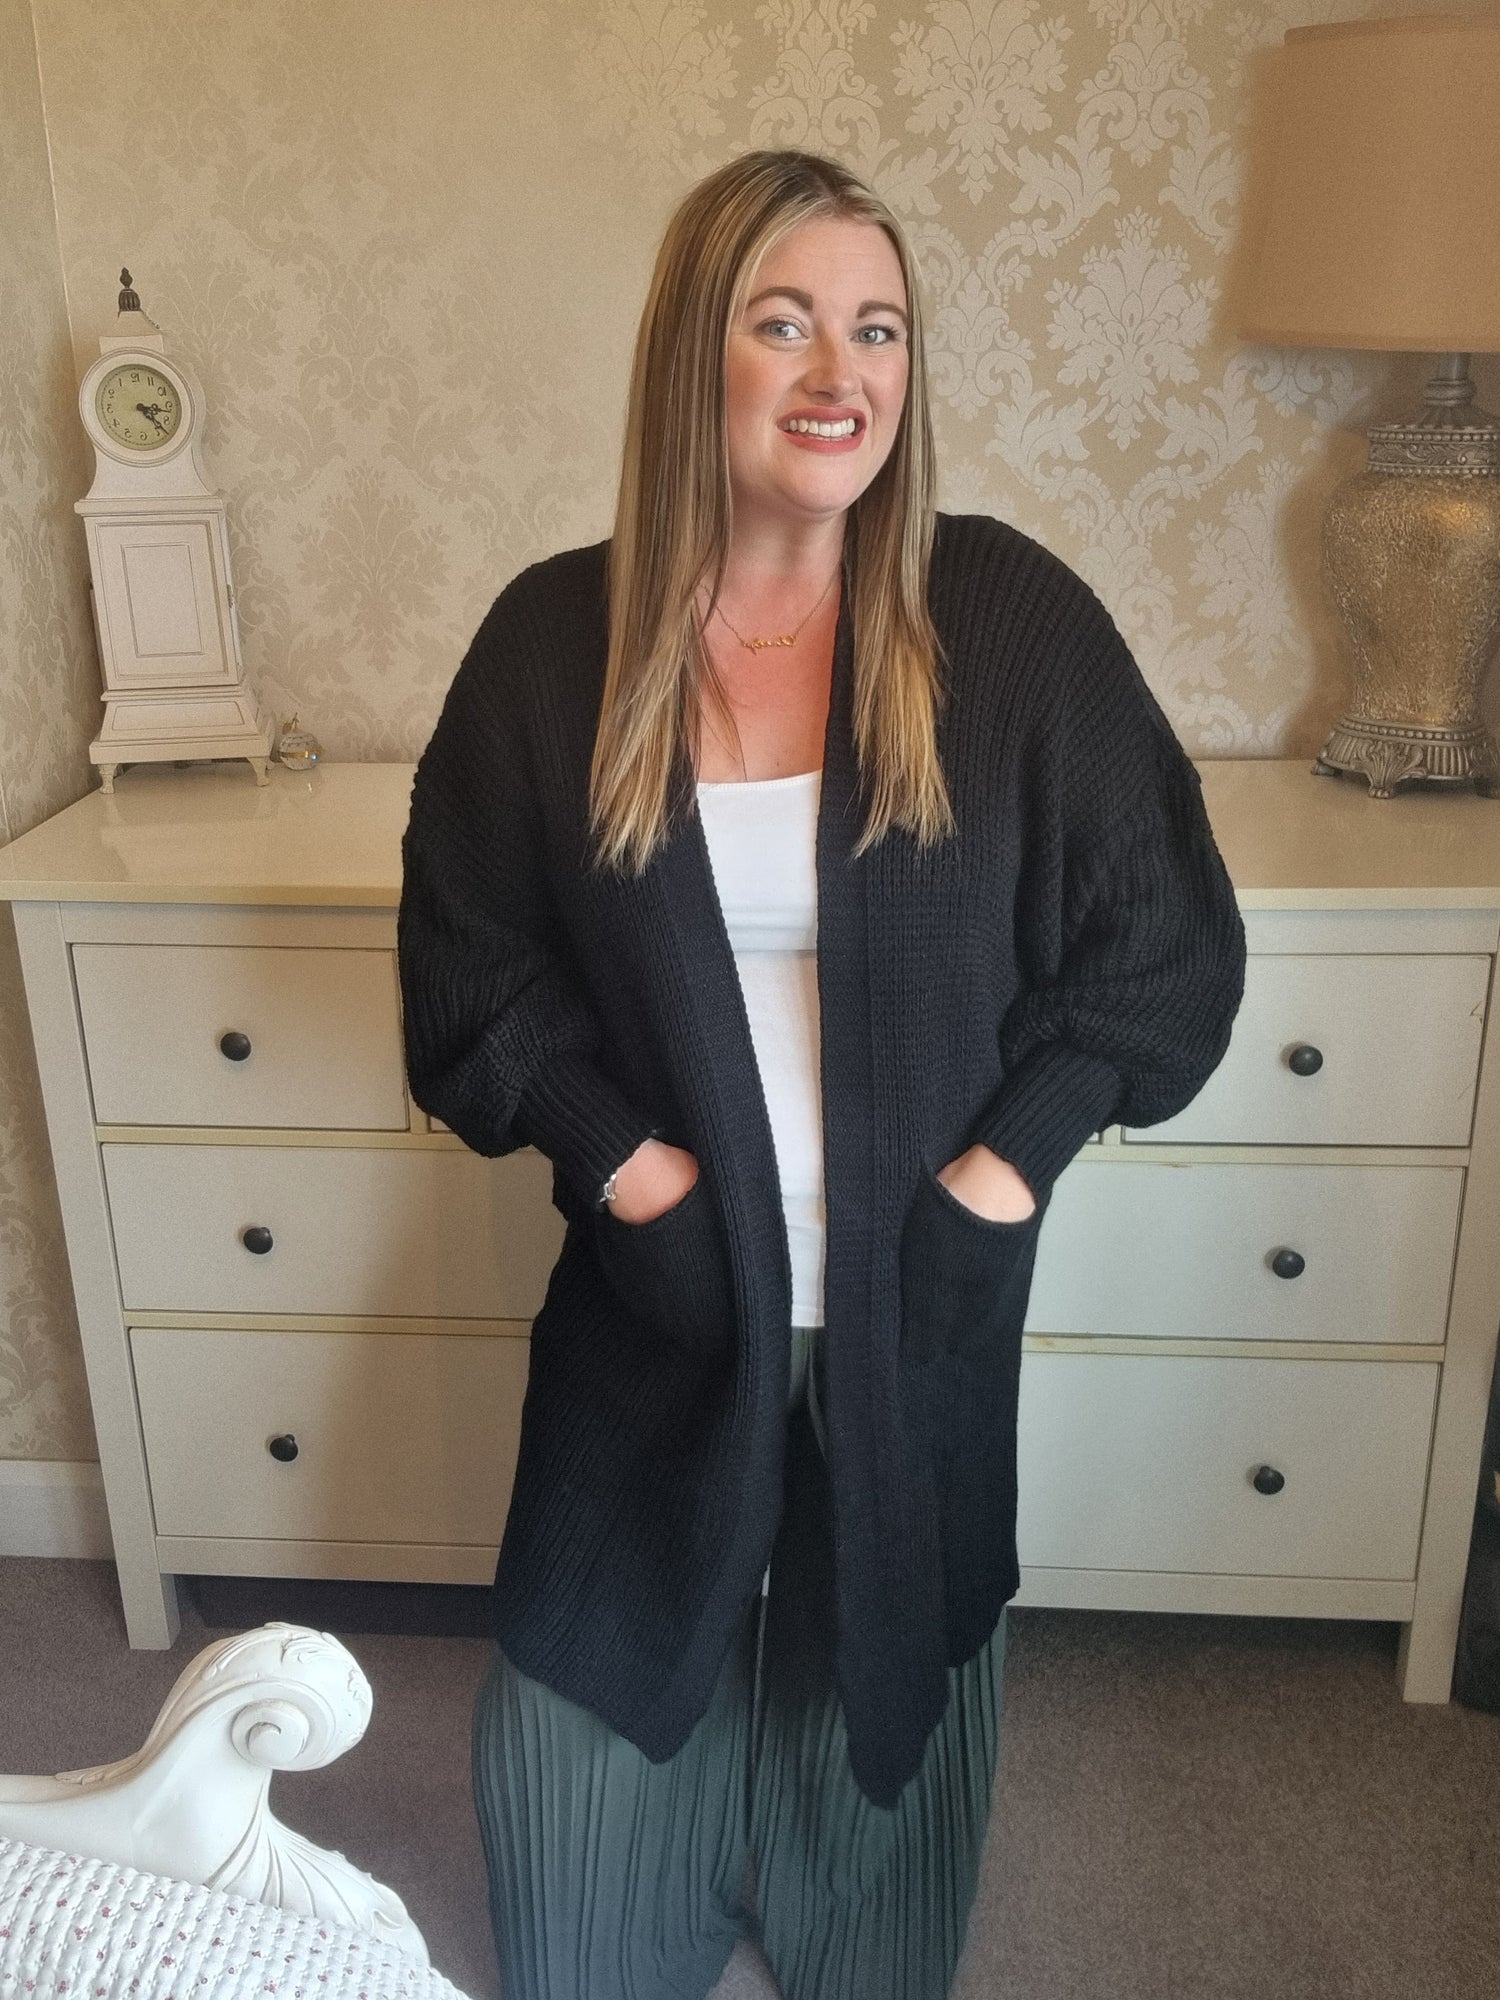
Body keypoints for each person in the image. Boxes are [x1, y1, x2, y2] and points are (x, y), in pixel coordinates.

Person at [397, 149, 1246, 2000]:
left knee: (881, 1654)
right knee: (596, 1739)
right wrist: (631, 1171)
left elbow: (1165, 947)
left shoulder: (1002, 621)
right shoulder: (556, 640)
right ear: (688, 355)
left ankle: (846, 1904)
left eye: (878, 329)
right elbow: (469, 963)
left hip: (919, 1274)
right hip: (665, 1274)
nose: (838, 372)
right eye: (782, 323)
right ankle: (646, 1890)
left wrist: (993, 1182)